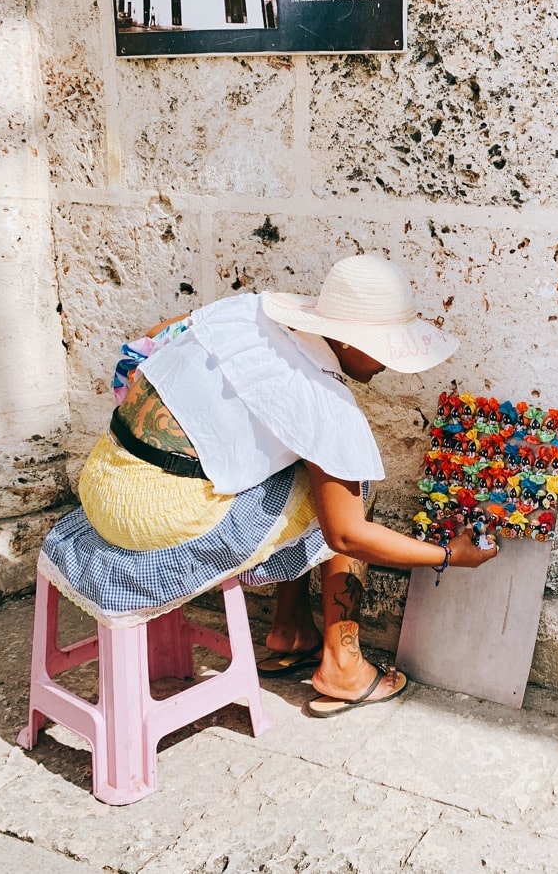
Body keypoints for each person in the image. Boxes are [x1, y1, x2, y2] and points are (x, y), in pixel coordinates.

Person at [38, 254, 499, 717]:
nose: (390, 366)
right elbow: (346, 536)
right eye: (384, 349)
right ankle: (344, 665)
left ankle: (291, 629)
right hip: (154, 518)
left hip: (104, 476)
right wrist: (449, 556)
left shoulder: (242, 312)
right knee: (352, 492)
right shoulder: (325, 404)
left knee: (303, 470)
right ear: (347, 339)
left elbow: (145, 346)